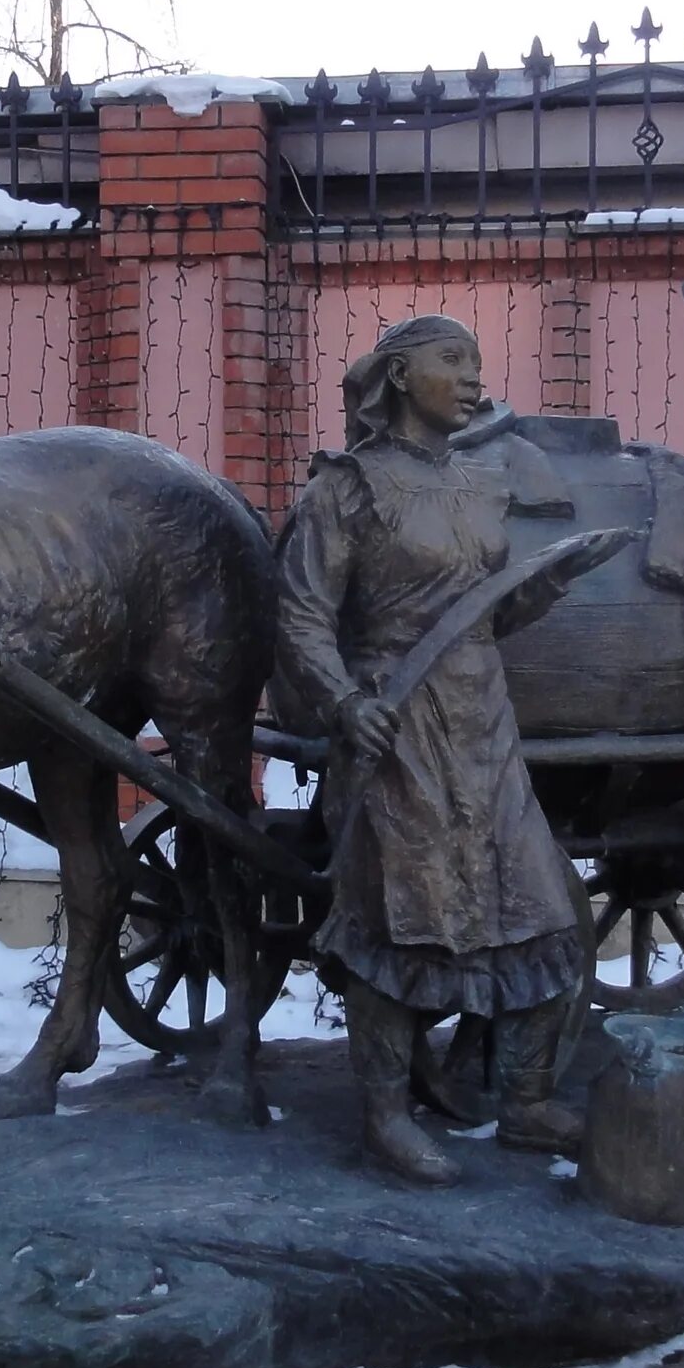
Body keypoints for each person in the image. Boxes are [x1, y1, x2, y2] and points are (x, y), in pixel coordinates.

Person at [277, 316, 587, 1185]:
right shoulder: (347, 488)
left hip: (483, 716)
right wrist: (342, 702)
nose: (472, 375)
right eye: (452, 360)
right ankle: (384, 1115)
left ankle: (525, 1101)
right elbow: (302, 613)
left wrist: (548, 585)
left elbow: (484, 614)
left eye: (477, 361)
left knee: (536, 898)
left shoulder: (484, 482)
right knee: (397, 912)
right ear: (401, 376)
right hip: (393, 719)